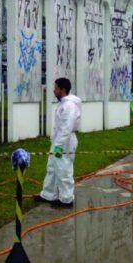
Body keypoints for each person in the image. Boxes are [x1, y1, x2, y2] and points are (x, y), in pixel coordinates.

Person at [34, 77, 81, 207]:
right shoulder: (63, 104)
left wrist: (59, 146)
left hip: (65, 143)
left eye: (56, 88)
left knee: (63, 169)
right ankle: (48, 194)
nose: (53, 90)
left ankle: (67, 199)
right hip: (58, 141)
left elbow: (66, 128)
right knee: (52, 167)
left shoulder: (69, 106)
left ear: (63, 90)